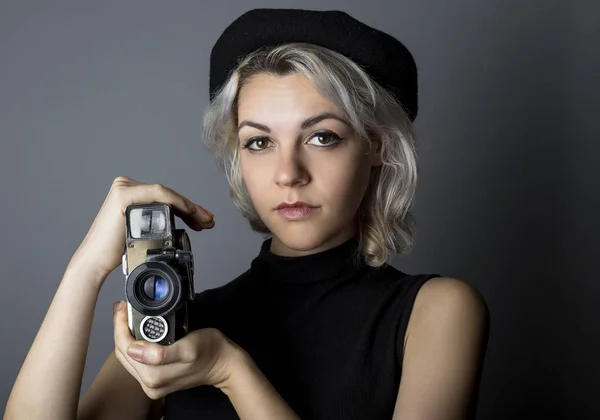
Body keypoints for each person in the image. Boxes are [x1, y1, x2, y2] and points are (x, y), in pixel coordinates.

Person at [4, 8, 489, 420]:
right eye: (259, 142)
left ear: (377, 146)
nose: (288, 173)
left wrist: (230, 373)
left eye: (323, 137)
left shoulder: (436, 311)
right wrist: (85, 270)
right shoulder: (177, 324)